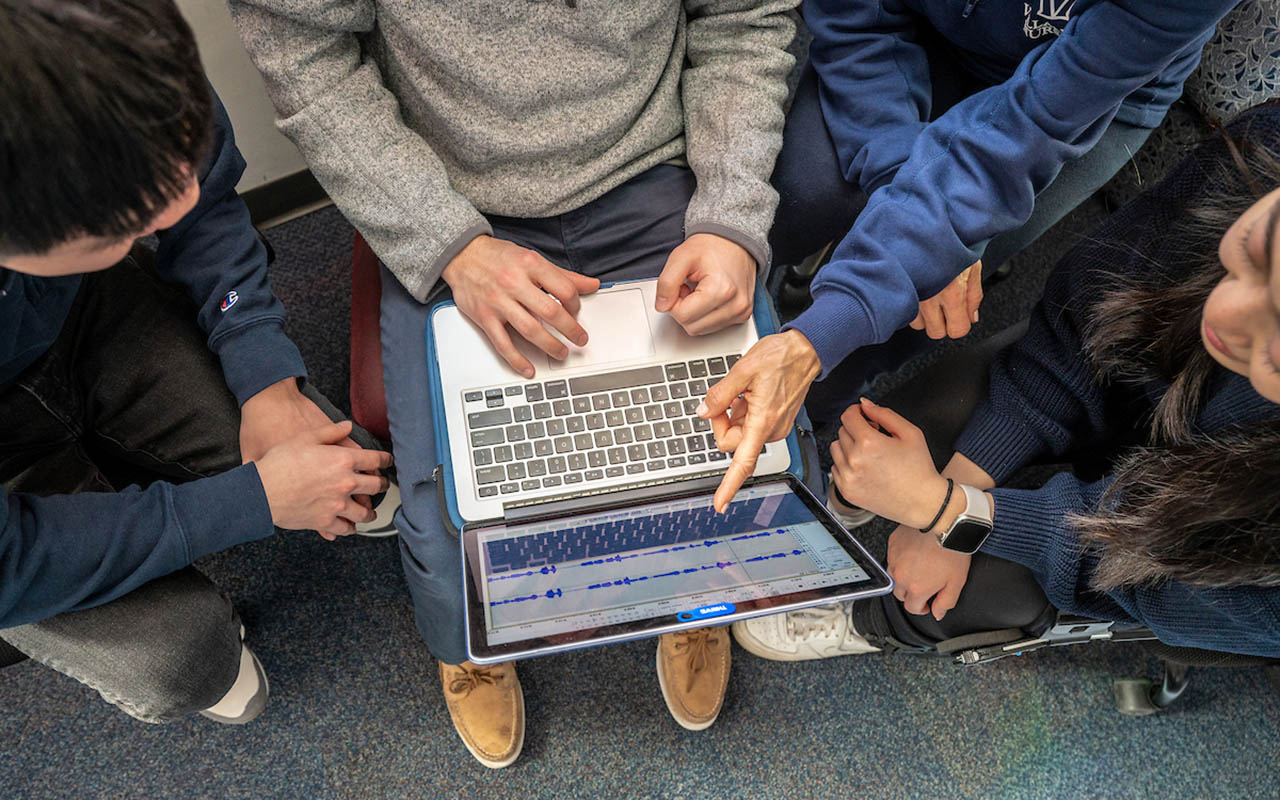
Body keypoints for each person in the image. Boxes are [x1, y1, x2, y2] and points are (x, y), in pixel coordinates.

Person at [230, 0, 799, 765]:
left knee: (739, 460)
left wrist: (730, 217)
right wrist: (445, 242)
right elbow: (302, 52)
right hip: (452, 199)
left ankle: (693, 595)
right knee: (449, 519)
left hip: (655, 176)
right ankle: (472, 650)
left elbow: (746, 18)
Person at [733, 103, 1280, 661]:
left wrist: (951, 514)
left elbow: (1165, 577)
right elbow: (1089, 315)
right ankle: (840, 509)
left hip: (1184, 563)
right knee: (909, 421)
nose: (1225, 312)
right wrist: (956, 486)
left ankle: (871, 619)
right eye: (1253, 257)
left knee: (962, 598)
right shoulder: (1267, 150)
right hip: (1127, 377)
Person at [0, 0, 392, 725]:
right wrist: (249, 503)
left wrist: (262, 370)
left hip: (84, 313)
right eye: (138, 213)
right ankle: (204, 651)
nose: (184, 196)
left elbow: (205, 203)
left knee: (343, 457)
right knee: (184, 658)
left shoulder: (99, 39)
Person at [701, 0, 1246, 514]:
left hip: (1084, 95)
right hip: (904, 25)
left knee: (920, 303)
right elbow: (856, 17)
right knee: (800, 196)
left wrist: (826, 334)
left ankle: (799, 421)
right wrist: (904, 189)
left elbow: (1026, 129)